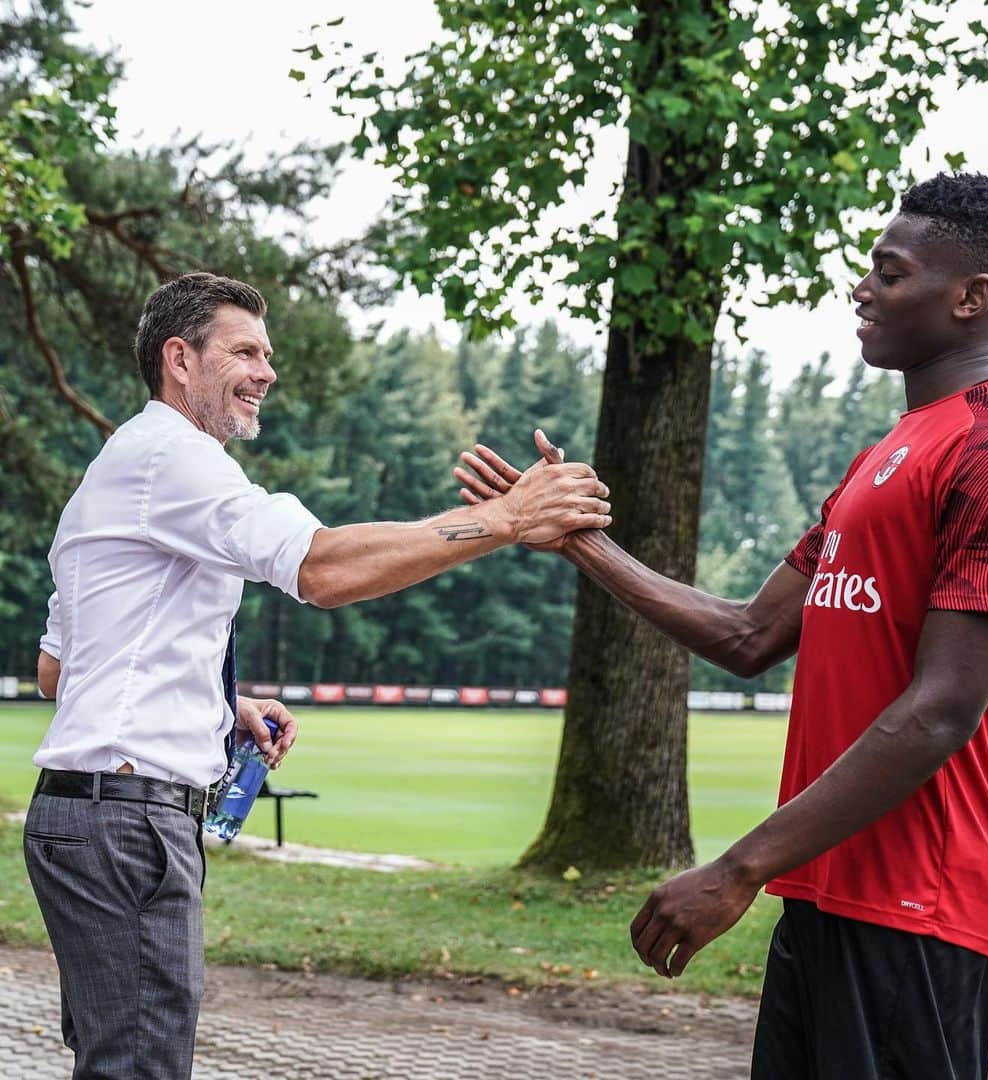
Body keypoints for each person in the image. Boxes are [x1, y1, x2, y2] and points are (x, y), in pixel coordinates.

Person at [455, 172, 988, 1077]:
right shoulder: (882, 459)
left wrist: (736, 868)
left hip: (920, 907)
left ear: (972, 296)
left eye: (890, 274)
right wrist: (580, 544)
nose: (861, 290)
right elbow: (748, 636)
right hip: (826, 889)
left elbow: (940, 711)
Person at [28, 271, 612, 1080]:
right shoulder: (173, 456)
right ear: (179, 359)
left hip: (88, 819)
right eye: (244, 351)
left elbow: (59, 669)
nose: (267, 370)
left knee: (120, 1060)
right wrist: (506, 520)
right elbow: (323, 569)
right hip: (128, 825)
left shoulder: (118, 467)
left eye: (268, 354)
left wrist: (219, 704)